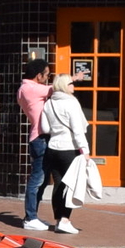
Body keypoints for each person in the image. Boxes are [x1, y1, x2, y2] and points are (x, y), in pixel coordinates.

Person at [37, 75, 89, 235]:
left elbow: (45, 128)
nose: (74, 86)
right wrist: (85, 150)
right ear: (64, 86)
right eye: (71, 83)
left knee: (58, 184)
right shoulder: (72, 103)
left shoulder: (49, 103)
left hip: (53, 149)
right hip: (69, 149)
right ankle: (65, 220)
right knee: (70, 186)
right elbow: (78, 129)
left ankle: (59, 219)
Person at [17, 64, 56, 230]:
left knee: (43, 179)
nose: (47, 78)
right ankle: (30, 218)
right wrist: (74, 79)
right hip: (39, 138)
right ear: (38, 75)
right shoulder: (30, 88)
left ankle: (33, 217)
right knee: (37, 180)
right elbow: (56, 89)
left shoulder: (26, 88)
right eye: (46, 75)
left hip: (40, 137)